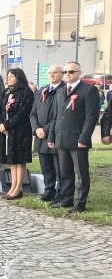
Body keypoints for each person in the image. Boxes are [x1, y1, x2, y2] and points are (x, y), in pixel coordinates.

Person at [48, 61, 100, 212]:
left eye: (71, 72)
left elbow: (91, 117)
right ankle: (66, 199)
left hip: (78, 139)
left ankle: (80, 203)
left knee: (81, 173)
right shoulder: (60, 91)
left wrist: (84, 138)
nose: (68, 74)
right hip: (62, 138)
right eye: (65, 72)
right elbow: (56, 117)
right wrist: (52, 137)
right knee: (65, 172)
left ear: (79, 73)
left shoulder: (88, 90)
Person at [0, 68, 34, 200]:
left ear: (19, 77)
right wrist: (1, 124)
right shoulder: (6, 92)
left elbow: (23, 113)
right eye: (8, 76)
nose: (9, 79)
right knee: (12, 160)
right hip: (6, 131)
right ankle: (12, 186)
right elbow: (0, 110)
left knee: (20, 160)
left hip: (20, 130)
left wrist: (7, 124)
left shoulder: (26, 92)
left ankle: (18, 188)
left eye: (12, 76)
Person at [30, 65, 64, 202]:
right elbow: (32, 113)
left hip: (55, 134)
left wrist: (45, 130)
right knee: (45, 166)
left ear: (62, 74)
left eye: (55, 72)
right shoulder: (41, 91)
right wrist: (36, 129)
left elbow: (59, 115)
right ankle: (49, 190)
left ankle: (62, 193)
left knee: (59, 167)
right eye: (49, 72)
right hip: (40, 135)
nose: (51, 75)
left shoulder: (63, 91)